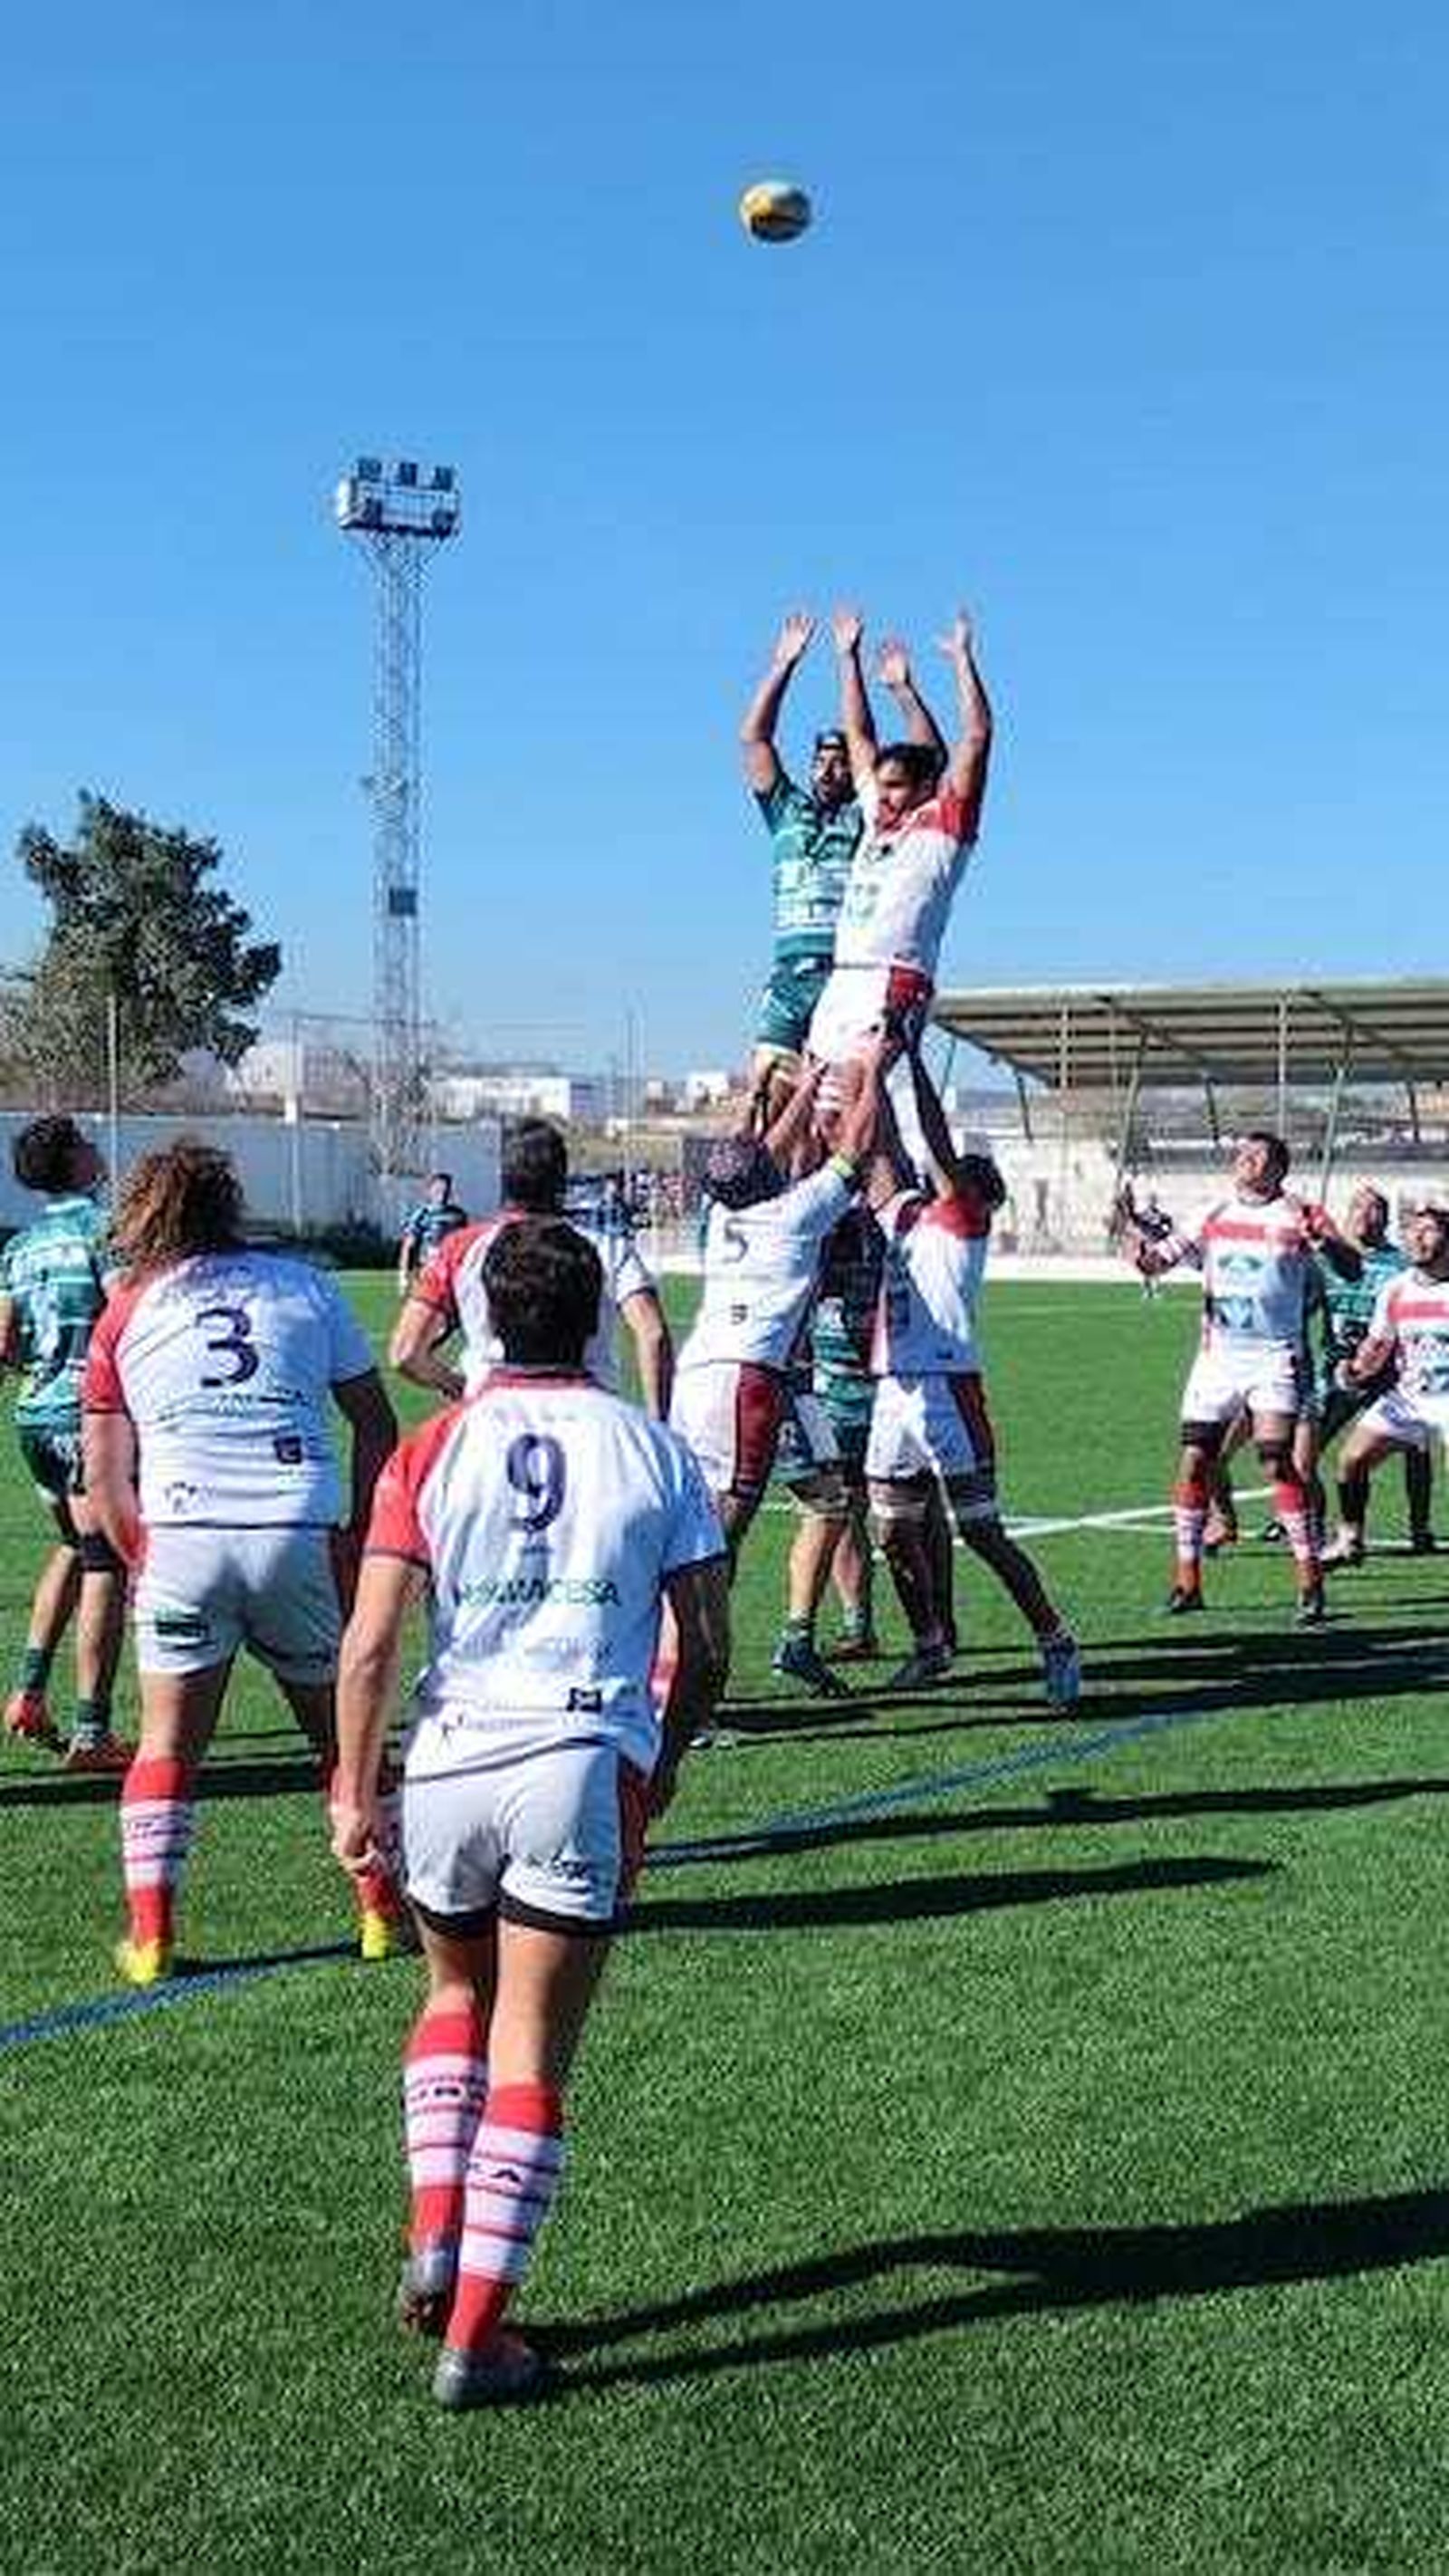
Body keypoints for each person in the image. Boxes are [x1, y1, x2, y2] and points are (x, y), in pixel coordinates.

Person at [330, 1216, 730, 2409]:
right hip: (574, 1758)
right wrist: (660, 1756)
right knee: (533, 2053)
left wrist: (357, 1788)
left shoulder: (435, 1445)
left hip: (448, 1758)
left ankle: (434, 2240)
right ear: (596, 1315)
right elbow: (705, 1642)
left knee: (453, 1995)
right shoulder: (654, 1451)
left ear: (488, 1321)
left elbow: (368, 1647)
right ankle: (478, 2338)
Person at [82, 1140, 401, 1985]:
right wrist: (357, 1532)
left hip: (183, 1537)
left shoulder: (128, 1311)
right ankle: (380, 1914)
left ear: (147, 1217)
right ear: (230, 1208)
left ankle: (151, 1938)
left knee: (165, 1748)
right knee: (341, 1739)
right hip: (295, 1529)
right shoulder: (306, 1286)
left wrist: (149, 1561)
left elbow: (107, 1481)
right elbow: (375, 1422)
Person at [863, 1042, 1081, 1702]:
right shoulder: (905, 1217)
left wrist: (916, 1063)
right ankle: (930, 1645)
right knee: (894, 1530)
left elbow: (929, 1139)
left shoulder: (964, 1221)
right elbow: (878, 1151)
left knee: (982, 1532)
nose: (946, 1180)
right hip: (892, 1390)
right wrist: (869, 1069)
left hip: (946, 1388)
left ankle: (1056, 1640)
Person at [1119, 1136, 1358, 1624]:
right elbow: (1158, 1262)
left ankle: (1310, 1582)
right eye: (1241, 1154)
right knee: (1194, 1464)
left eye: (1256, 1156)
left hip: (1275, 1355)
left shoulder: (1300, 1212)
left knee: (1275, 1462)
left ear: (1278, 1170)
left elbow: (1350, 1268)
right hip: (1218, 1359)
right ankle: (1187, 1583)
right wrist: (1134, 1243)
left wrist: (1328, 1242)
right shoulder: (1212, 1213)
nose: (1243, 1161)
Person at [669, 1046, 883, 1581]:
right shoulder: (795, 1216)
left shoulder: (721, 1215)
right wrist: (875, 1069)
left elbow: (761, 1152)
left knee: (703, 1517)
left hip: (696, 1375)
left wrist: (807, 1087)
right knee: (722, 1533)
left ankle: (726, 1636)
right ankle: (685, 1651)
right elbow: (855, 1147)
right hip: (749, 1378)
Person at [740, 612, 945, 1087]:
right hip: (790, 976)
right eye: (821, 762)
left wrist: (861, 667)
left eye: (839, 763)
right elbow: (754, 739)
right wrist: (783, 665)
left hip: (845, 978)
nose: (830, 771)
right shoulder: (786, 811)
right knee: (766, 1091)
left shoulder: (866, 819)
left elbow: (918, 759)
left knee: (837, 1102)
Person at [805, 606, 992, 1069]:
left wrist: (961, 660)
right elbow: (859, 734)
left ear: (925, 789)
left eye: (896, 787)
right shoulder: (875, 817)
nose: (883, 795)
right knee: (822, 1109)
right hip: (844, 977)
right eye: (880, 785)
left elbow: (976, 736)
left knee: (865, 1100)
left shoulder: (941, 826)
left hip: (895, 976)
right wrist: (848, 660)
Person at [390, 1121, 672, 1420]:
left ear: (504, 1178)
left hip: (490, 1420)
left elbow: (405, 1353)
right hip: (592, 1418)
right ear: (562, 1179)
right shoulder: (609, 1248)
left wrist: (456, 1384)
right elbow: (652, 1333)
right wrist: (657, 1422)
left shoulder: (460, 1248)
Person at [0, 1115, 129, 1769]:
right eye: (83, 1142)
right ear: (74, 1161)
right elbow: (126, 1315)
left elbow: (6, 1343)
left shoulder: (19, 1245)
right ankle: (91, 1733)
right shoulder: (102, 1228)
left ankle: (26, 1694)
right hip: (90, 1416)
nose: (93, 1147)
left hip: (34, 1416)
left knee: (72, 1545)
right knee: (107, 1561)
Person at [770, 1205, 882, 1693]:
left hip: (854, 1396)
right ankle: (830, 1631)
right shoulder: (824, 1234)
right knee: (836, 1510)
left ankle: (852, 1629)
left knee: (839, 1511)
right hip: (833, 1396)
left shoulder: (864, 1232)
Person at [1320, 1203, 1449, 1564]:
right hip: (1409, 1398)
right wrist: (1355, 1370)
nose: (1417, 1238)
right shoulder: (1396, 1289)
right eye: (1411, 1231)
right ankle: (1350, 1539)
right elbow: (1378, 1344)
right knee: (1350, 1460)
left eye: (1428, 1230)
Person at [397, 1173, 468, 1299]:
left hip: (452, 1271)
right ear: (430, 1191)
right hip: (429, 1270)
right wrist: (404, 1277)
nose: (442, 1192)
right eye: (438, 1188)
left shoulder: (458, 1215)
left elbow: (465, 1244)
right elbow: (409, 1246)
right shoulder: (422, 1214)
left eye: (446, 1188)